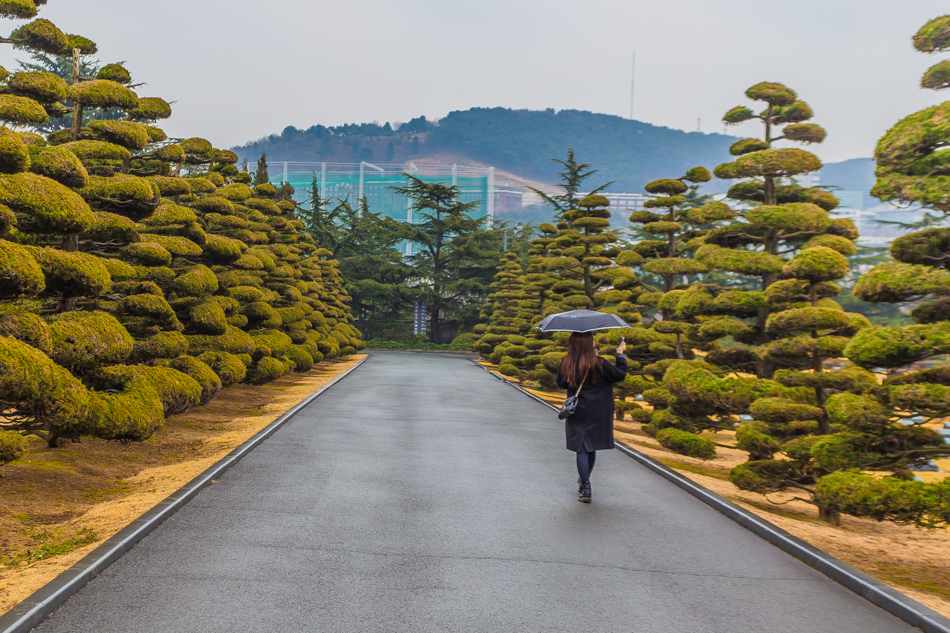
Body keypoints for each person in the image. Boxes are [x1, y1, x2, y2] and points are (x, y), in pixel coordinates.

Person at [555, 332, 627, 503]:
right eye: (592, 339)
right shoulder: (599, 362)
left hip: (578, 410)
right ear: (588, 344)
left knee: (582, 447)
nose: (595, 341)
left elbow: (561, 383)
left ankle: (585, 485)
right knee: (591, 446)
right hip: (599, 410)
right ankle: (585, 479)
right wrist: (620, 355)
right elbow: (619, 375)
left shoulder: (567, 362)